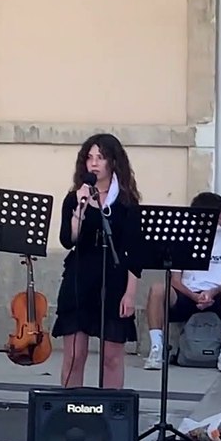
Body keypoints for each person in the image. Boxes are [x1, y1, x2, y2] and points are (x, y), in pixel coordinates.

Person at [52, 133, 144, 390]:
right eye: (89, 158)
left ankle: (111, 419)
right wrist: (79, 211)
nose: (94, 164)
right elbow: (67, 240)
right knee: (74, 355)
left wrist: (130, 293)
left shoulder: (126, 202)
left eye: (100, 158)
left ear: (113, 162)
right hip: (80, 277)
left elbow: (134, 252)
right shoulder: (74, 198)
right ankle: (71, 415)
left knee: (112, 358)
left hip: (114, 280)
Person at [142, 192, 221, 373]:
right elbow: (174, 279)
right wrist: (194, 296)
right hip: (187, 294)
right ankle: (157, 349)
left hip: (216, 296)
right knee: (157, 288)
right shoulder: (183, 239)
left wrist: (211, 294)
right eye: (220, 212)